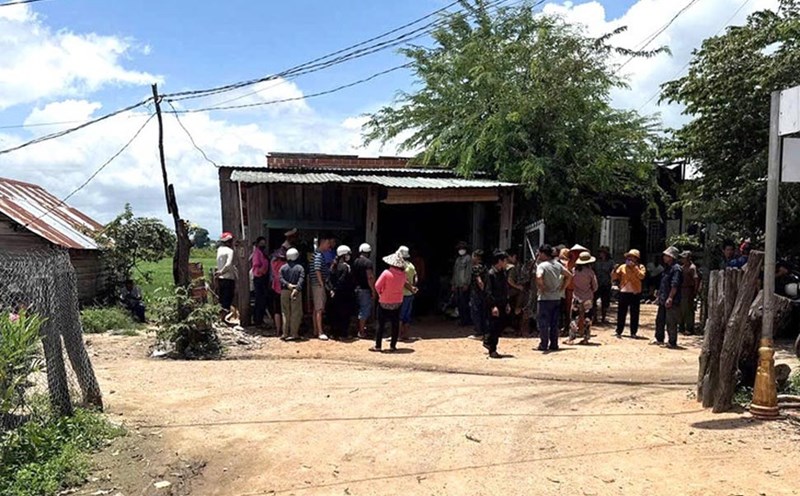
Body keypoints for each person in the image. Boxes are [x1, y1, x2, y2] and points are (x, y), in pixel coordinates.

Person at [536, 244, 571, 352]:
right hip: (556, 298)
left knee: (543, 323)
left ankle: (544, 344)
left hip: (544, 299)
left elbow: (538, 276)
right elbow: (569, 275)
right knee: (554, 323)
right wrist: (562, 288)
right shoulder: (557, 265)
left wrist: (542, 287)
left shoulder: (542, 266)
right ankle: (554, 344)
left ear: (543, 253)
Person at [371, 251, 407, 352]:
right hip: (398, 302)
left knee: (381, 324)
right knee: (395, 324)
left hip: (384, 302)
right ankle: (393, 346)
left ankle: (378, 346)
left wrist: (381, 294)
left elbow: (377, 286)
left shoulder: (386, 273)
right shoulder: (403, 275)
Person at [613, 249, 646, 338]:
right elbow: (615, 277)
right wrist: (614, 270)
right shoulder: (622, 267)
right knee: (621, 313)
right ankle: (619, 331)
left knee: (634, 313)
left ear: (636, 258)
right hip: (624, 292)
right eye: (629, 256)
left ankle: (633, 332)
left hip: (635, 293)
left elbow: (642, 276)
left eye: (632, 257)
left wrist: (635, 268)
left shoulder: (640, 267)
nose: (630, 258)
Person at [654, 246, 683, 349]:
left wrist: (670, 297)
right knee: (660, 319)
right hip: (663, 297)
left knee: (671, 321)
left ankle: (672, 341)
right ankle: (659, 338)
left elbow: (674, 285)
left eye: (666, 256)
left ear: (671, 257)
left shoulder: (676, 269)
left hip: (671, 299)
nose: (664, 257)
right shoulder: (667, 268)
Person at [484, 250, 510, 359]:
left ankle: (487, 340)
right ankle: (492, 349)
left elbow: (505, 289)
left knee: (501, 325)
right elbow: (488, 291)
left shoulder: (502, 273)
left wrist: (507, 303)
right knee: (494, 326)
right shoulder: (491, 274)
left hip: (503, 303)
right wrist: (493, 306)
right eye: (505, 261)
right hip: (494, 304)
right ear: (500, 261)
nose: (506, 263)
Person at [568, 251, 597, 345]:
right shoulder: (590, 272)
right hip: (588, 297)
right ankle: (586, 338)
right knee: (587, 318)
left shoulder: (574, 270)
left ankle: (571, 338)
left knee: (574, 317)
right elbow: (595, 286)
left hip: (576, 296)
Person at [329, 245, 355, 340]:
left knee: (335, 314)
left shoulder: (333, 266)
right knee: (344, 315)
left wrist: (332, 289)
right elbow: (342, 280)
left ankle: (333, 333)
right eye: (347, 254)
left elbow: (329, 280)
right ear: (344, 255)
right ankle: (343, 334)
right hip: (344, 294)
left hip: (334, 294)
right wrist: (336, 289)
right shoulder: (345, 267)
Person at [311, 235, 334, 341]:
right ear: (323, 242)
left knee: (316, 309)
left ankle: (316, 330)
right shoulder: (318, 255)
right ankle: (320, 331)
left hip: (316, 285)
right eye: (328, 243)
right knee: (319, 309)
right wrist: (322, 284)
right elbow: (317, 269)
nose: (329, 245)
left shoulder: (318, 254)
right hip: (318, 285)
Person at [279, 248, 305, 341]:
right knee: (296, 313)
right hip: (296, 292)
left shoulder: (282, 267)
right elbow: (301, 279)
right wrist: (296, 289)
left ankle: (285, 333)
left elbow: (281, 278)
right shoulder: (300, 268)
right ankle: (294, 333)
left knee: (285, 312)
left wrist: (288, 285)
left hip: (285, 291)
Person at [352, 243, 376, 339]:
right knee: (364, 310)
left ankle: (358, 328)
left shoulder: (355, 262)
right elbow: (370, 277)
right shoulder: (368, 263)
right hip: (365, 289)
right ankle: (361, 331)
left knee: (358, 309)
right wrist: (373, 290)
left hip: (356, 289)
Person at [399, 246, 417, 341]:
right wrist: (413, 287)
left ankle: (398, 335)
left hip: (402, 294)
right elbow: (415, 278)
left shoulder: (401, 266)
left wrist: (410, 288)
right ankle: (405, 334)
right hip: (410, 295)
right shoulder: (411, 265)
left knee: (399, 316)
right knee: (407, 315)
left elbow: (404, 281)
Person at [215, 232, 237, 315]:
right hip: (228, 278)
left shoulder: (219, 250)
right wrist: (222, 271)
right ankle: (224, 317)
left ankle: (221, 317)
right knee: (228, 299)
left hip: (221, 279)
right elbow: (228, 264)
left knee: (221, 299)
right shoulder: (230, 251)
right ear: (229, 241)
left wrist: (219, 272)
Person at [679, 251, 700, 335]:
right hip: (681, 290)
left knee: (688, 310)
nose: (682, 259)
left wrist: (695, 291)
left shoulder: (692, 267)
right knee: (681, 309)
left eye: (684, 258)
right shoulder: (682, 267)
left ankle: (689, 328)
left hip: (688, 290)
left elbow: (696, 279)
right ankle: (681, 327)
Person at [452, 241, 472, 326]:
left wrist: (466, 283)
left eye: (462, 248)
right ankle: (461, 319)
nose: (461, 250)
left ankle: (466, 320)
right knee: (459, 303)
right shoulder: (458, 259)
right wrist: (453, 284)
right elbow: (455, 272)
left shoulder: (468, 258)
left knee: (465, 303)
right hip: (457, 284)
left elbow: (468, 272)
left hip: (464, 284)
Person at [469, 250, 488, 340]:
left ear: (476, 257)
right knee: (483, 312)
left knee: (476, 312)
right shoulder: (485, 267)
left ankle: (479, 332)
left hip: (477, 292)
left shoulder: (476, 268)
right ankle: (484, 331)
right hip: (483, 293)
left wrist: (482, 290)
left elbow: (479, 281)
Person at [251, 236, 269, 327]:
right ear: (257, 244)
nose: (263, 245)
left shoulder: (262, 253)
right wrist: (262, 271)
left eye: (264, 243)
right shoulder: (257, 253)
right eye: (261, 243)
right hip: (259, 278)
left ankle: (260, 319)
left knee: (262, 300)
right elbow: (256, 265)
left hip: (263, 277)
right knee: (259, 300)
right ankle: (257, 320)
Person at [594, 246, 614, 324]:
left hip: (606, 283)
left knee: (605, 301)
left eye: (603, 252)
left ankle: (603, 318)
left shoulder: (610, 262)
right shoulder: (596, 262)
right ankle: (595, 317)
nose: (601, 254)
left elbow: (612, 272)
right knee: (594, 301)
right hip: (597, 283)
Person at [506, 251, 524, 332]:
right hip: (510, 291)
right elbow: (510, 280)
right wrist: (518, 287)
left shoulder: (504, 266)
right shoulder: (511, 267)